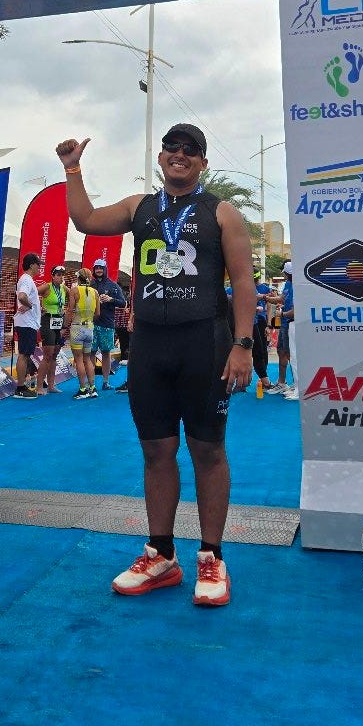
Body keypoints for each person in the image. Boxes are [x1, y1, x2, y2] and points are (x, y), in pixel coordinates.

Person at [56, 122, 256, 609]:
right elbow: (84, 220)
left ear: (203, 162)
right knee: (156, 450)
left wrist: (243, 344)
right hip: (149, 345)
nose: (179, 154)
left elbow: (243, 282)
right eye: (171, 147)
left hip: (204, 343)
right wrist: (72, 170)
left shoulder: (222, 213)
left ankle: (212, 556)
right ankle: (162, 554)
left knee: (208, 450)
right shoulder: (138, 207)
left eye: (190, 149)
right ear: (161, 156)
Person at [91, 258, 127, 390]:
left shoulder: (113, 285)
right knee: (91, 353)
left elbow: (123, 303)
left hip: (107, 324)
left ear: (105, 269)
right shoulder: (90, 285)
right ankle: (91, 383)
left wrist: (111, 299)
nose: (98, 270)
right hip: (91, 324)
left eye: (101, 268)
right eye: (96, 268)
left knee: (106, 353)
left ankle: (106, 382)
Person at [13, 253, 42, 398]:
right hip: (26, 323)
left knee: (25, 354)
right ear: (31, 265)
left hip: (28, 323)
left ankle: (21, 386)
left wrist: (34, 307)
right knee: (24, 355)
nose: (39, 268)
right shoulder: (26, 279)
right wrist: (30, 306)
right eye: (38, 265)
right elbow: (22, 296)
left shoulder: (27, 279)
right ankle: (20, 387)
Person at [37, 265, 69, 394]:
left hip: (59, 322)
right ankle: (39, 387)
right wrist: (39, 307)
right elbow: (32, 293)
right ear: (53, 276)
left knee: (55, 355)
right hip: (48, 321)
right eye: (58, 275)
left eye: (62, 275)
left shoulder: (63, 288)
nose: (61, 277)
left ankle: (51, 385)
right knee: (48, 355)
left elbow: (75, 295)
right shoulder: (47, 287)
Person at [69, 267, 100, 399]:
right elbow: (98, 313)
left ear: (78, 278)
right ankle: (92, 388)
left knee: (79, 360)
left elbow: (70, 310)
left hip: (77, 327)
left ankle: (83, 389)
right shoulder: (95, 292)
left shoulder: (74, 290)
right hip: (89, 327)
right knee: (87, 359)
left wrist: (65, 326)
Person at [268, 262, 297, 399]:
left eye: (284, 273)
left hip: (292, 323)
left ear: (287, 273)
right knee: (281, 351)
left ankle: (297, 385)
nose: (284, 275)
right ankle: (282, 383)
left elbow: (296, 310)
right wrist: (266, 298)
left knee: (292, 355)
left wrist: (282, 314)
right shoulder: (288, 284)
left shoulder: (297, 285)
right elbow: (282, 299)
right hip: (285, 323)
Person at [253, 269, 277, 393]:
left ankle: (263, 377)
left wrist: (269, 325)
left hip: (260, 321)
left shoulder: (264, 288)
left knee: (261, 350)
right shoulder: (238, 287)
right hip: (249, 321)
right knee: (256, 351)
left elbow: (269, 308)